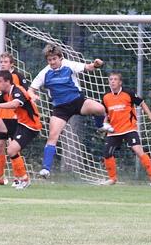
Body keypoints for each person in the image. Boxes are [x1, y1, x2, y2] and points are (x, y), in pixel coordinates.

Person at [30, 44, 113, 178]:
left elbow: (88, 67)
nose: (52, 62)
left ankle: (100, 126)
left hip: (77, 102)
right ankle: (45, 169)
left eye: (54, 59)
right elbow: (31, 89)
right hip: (60, 108)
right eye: (49, 60)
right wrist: (33, 96)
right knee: (53, 136)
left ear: (60, 58)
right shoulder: (44, 73)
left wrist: (96, 64)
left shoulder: (68, 65)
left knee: (100, 109)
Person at [0, 70, 42, 189]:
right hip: (19, 123)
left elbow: (15, 104)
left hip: (31, 126)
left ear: (7, 82)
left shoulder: (17, 90)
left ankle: (24, 179)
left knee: (11, 150)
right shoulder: (4, 93)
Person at [100, 72, 151, 186]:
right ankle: (112, 179)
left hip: (129, 129)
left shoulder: (128, 93)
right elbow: (105, 114)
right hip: (114, 131)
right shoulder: (106, 97)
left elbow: (142, 103)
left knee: (138, 150)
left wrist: (150, 115)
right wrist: (104, 125)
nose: (112, 81)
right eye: (110, 79)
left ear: (120, 82)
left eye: (115, 79)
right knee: (107, 153)